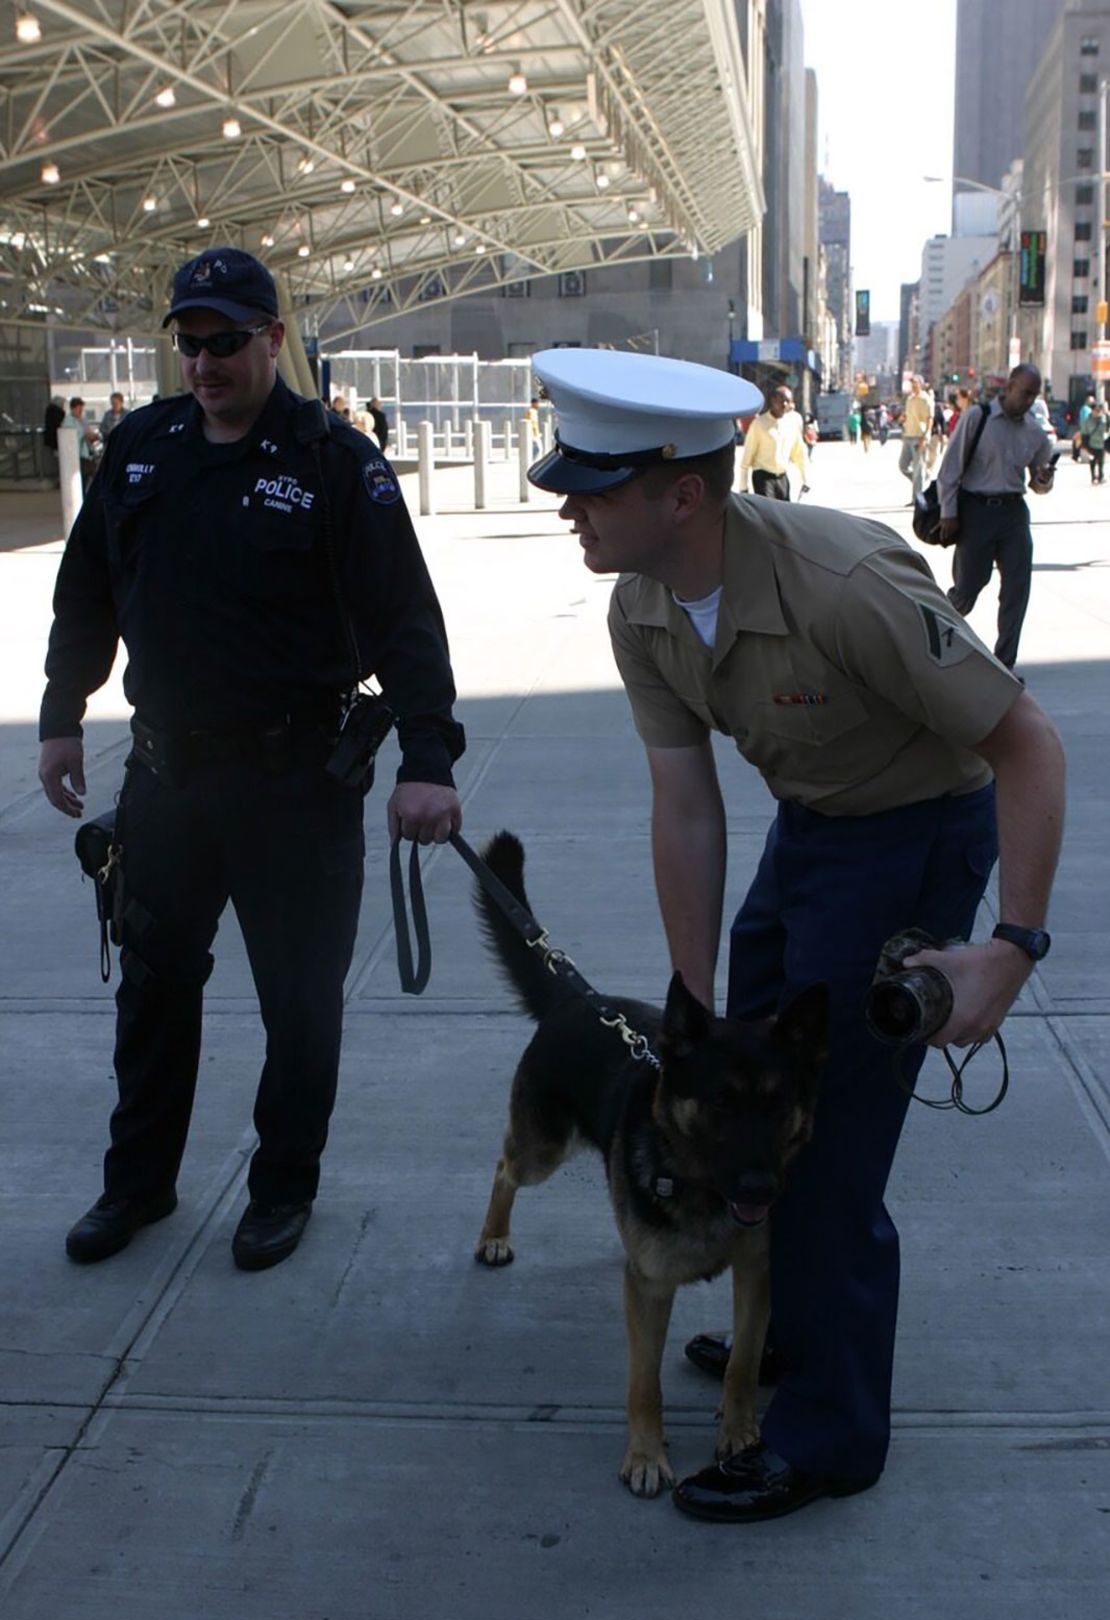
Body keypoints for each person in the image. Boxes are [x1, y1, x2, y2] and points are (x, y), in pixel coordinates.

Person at [526, 346, 1064, 1523]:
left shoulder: (844, 585)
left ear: (681, 493)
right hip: (813, 827)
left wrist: (1011, 945)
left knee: (822, 1141)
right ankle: (788, 1338)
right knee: (736, 1086)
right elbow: (685, 798)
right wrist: (686, 1013)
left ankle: (828, 1434)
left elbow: (1027, 742)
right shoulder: (642, 602)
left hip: (920, 834)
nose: (567, 504)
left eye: (594, 487)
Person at [38, 246, 465, 1273]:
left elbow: (406, 622)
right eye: (189, 343)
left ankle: (282, 1188)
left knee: (300, 1005)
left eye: (226, 341)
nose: (205, 361)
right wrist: (62, 712)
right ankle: (136, 1183)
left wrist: (429, 758)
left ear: (273, 337)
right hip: (168, 783)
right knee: (152, 994)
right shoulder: (141, 451)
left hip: (294, 787)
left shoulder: (332, 462)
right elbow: (87, 589)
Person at [935, 363, 1055, 671]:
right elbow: (950, 468)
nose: (1028, 400)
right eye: (1025, 392)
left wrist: (1044, 478)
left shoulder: (1035, 432)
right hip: (976, 512)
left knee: (1017, 590)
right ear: (1010, 384)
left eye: (1034, 395)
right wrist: (949, 513)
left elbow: (1038, 486)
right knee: (967, 590)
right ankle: (933, 641)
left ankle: (1005, 666)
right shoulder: (979, 417)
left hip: (1014, 514)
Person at [736, 384, 808, 500]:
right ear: (773, 401)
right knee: (768, 515)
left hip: (782, 478)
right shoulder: (759, 424)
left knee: (783, 514)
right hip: (763, 478)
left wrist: (806, 479)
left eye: (787, 401)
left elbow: (799, 455)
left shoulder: (792, 423)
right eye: (781, 401)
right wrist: (743, 486)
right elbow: (747, 457)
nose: (784, 405)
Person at [898, 375, 932, 502]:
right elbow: (907, 415)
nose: (913, 386)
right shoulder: (909, 399)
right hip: (908, 436)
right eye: (912, 384)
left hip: (919, 436)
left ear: (921, 384)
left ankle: (918, 499)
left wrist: (925, 437)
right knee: (903, 465)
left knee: (918, 468)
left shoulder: (926, 399)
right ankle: (920, 483)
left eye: (915, 384)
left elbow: (930, 419)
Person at [61, 395, 97, 488]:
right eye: (78, 409)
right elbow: (71, 436)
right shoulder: (68, 421)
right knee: (81, 479)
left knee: (86, 478)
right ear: (73, 408)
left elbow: (88, 431)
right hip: (76, 453)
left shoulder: (83, 420)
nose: (80, 411)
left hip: (86, 452)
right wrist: (85, 435)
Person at [1081, 398, 1107, 484]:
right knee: (1092, 461)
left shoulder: (1104, 419)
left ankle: (1101, 476)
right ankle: (1093, 477)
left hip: (1102, 444)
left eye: (1099, 410)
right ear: (1092, 410)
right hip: (1091, 444)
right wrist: (1085, 446)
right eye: (1096, 410)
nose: (1098, 412)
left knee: (1101, 462)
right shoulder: (1088, 420)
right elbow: (1084, 433)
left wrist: (1107, 413)